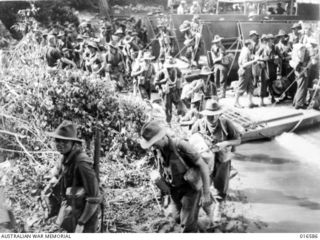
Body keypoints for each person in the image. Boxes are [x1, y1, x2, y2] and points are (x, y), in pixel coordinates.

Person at [140, 120, 212, 232]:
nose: (152, 146)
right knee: (177, 218)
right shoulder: (158, 150)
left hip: (190, 189)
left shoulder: (181, 146)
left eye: (154, 142)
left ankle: (194, 226)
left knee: (187, 226)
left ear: (162, 137)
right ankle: (200, 222)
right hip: (174, 190)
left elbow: (203, 166)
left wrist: (206, 193)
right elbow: (164, 170)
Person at [46, 121, 101, 233]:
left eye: (64, 141)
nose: (60, 144)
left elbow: (94, 198)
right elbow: (57, 173)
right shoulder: (65, 157)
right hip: (73, 210)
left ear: (73, 142)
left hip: (86, 216)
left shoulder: (81, 163)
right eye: (57, 140)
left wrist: (81, 223)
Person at [191, 100, 241, 222]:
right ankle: (205, 208)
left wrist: (225, 143)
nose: (212, 118)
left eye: (215, 114)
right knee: (203, 185)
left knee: (221, 185)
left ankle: (219, 207)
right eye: (209, 115)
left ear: (219, 114)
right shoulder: (198, 124)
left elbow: (238, 140)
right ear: (205, 114)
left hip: (222, 160)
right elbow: (191, 141)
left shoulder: (226, 123)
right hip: (206, 161)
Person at [155, 57, 186, 125]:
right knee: (167, 108)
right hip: (167, 93)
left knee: (180, 106)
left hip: (175, 92)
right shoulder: (162, 72)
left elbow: (181, 77)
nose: (171, 68)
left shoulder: (177, 70)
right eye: (169, 67)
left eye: (172, 67)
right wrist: (160, 89)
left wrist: (180, 83)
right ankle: (168, 122)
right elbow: (156, 83)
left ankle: (179, 118)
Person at [234, 39, 258, 108]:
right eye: (252, 44)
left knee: (250, 87)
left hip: (248, 71)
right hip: (244, 71)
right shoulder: (246, 52)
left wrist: (252, 57)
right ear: (249, 45)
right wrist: (254, 60)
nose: (253, 45)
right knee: (241, 88)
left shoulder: (245, 50)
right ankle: (236, 102)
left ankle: (250, 102)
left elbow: (240, 61)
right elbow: (244, 64)